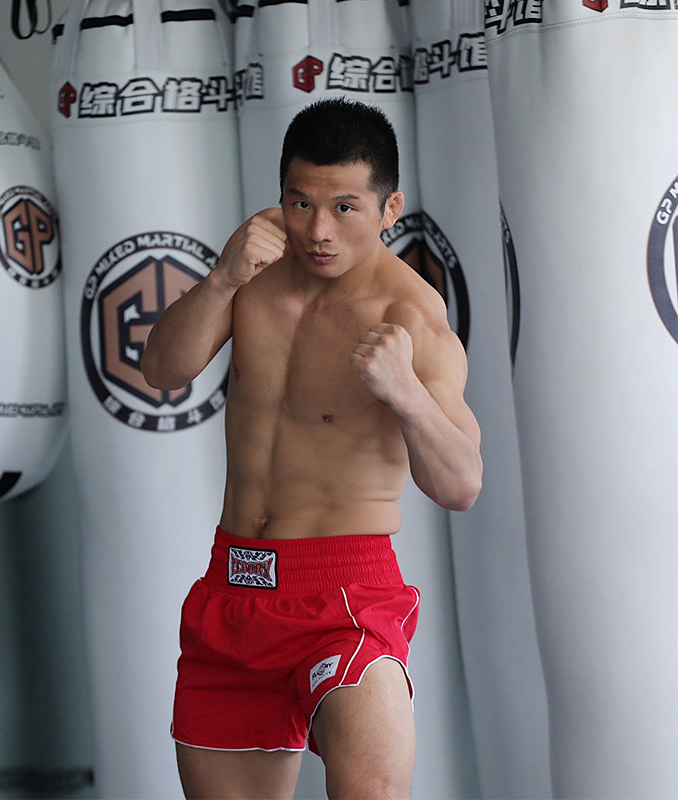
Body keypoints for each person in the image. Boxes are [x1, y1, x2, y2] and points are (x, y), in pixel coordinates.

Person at [141, 97, 482, 799]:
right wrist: (222, 279)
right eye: (300, 204)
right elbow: (162, 371)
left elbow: (461, 485)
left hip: (345, 595)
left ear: (390, 209)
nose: (318, 231)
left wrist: (407, 395)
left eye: (345, 208)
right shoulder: (254, 269)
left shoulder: (410, 315)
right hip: (233, 587)